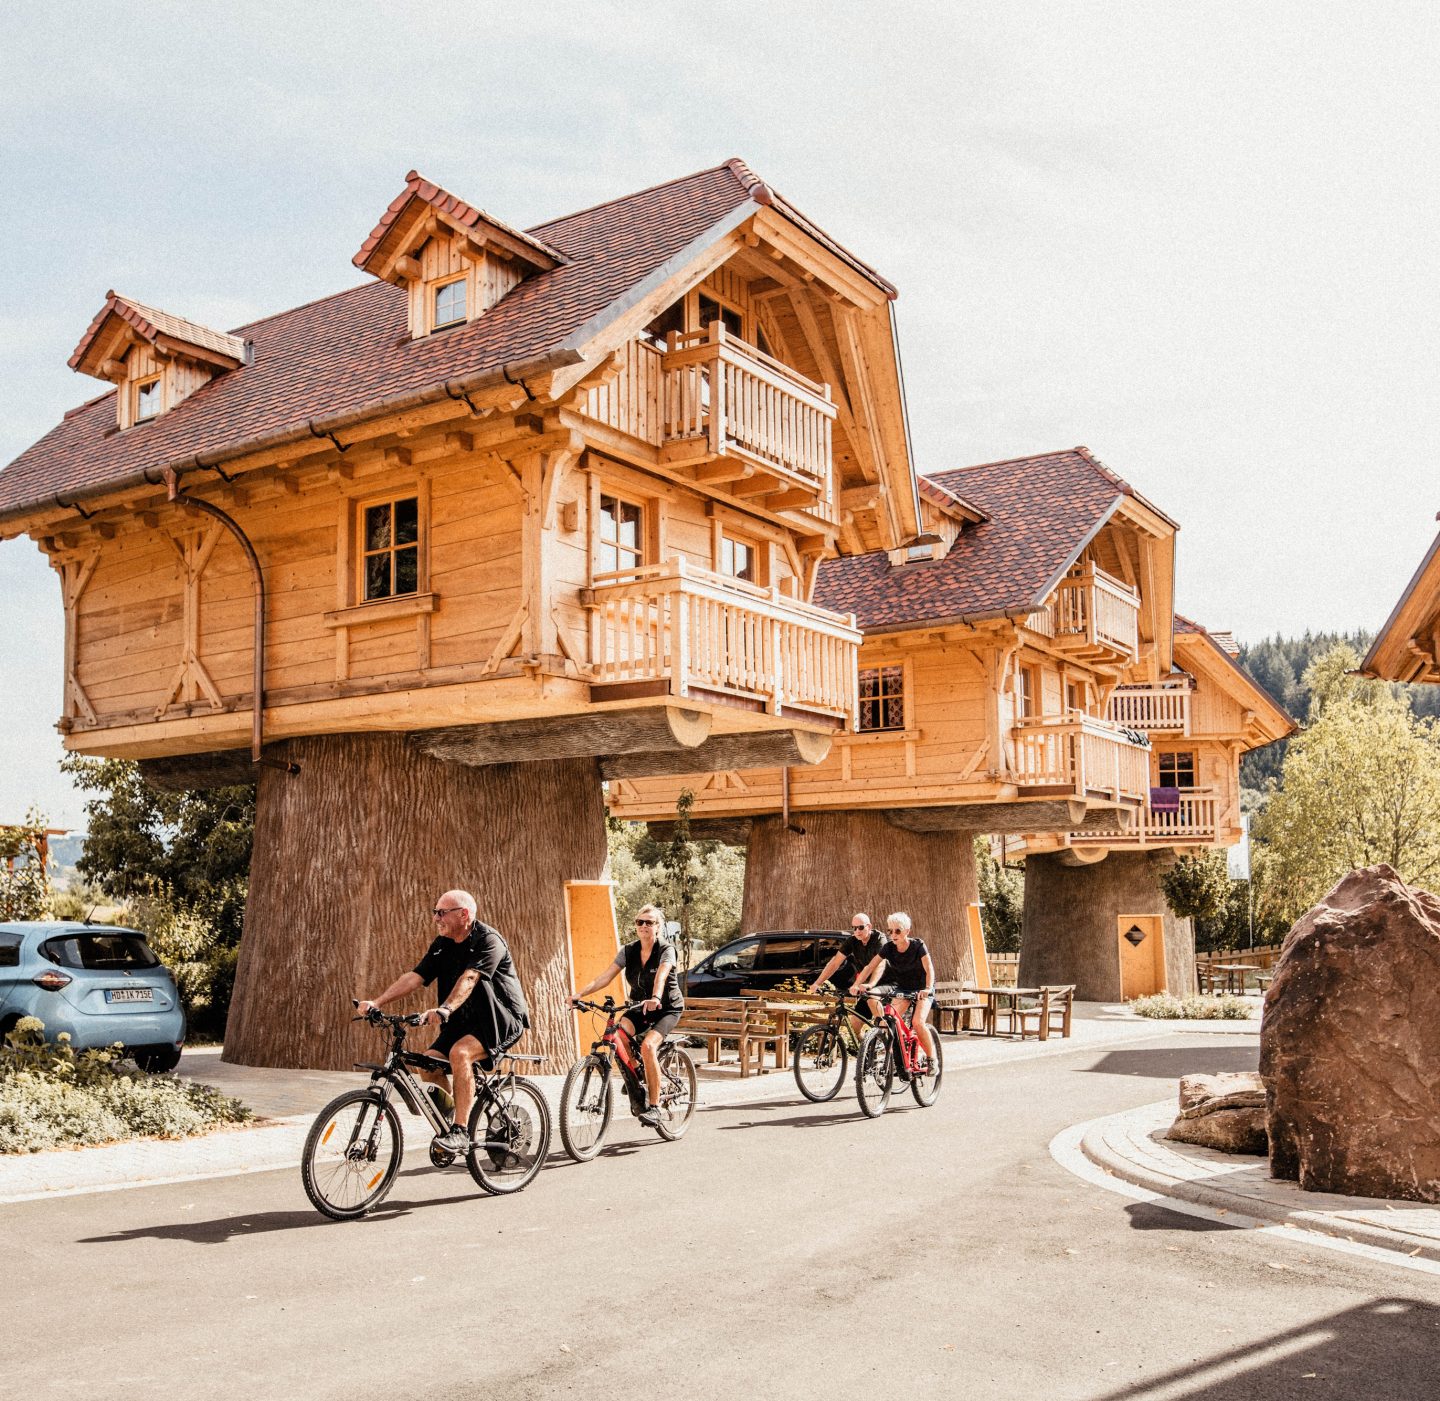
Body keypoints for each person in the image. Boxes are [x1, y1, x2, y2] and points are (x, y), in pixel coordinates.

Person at [357, 890, 530, 1155]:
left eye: (441, 913)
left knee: (460, 1053)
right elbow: (415, 977)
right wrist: (377, 1002)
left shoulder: (488, 941)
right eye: (435, 912)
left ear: (463, 914)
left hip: (499, 1019)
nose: (436, 918)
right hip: (461, 1021)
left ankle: (461, 1131)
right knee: (428, 1064)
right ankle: (448, 1125)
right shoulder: (442, 944)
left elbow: (470, 978)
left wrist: (445, 1008)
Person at [570, 904, 684, 1128]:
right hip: (640, 1006)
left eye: (649, 922)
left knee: (648, 1046)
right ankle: (637, 1072)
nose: (643, 926)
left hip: (666, 1007)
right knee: (619, 1033)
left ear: (658, 927)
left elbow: (661, 976)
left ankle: (655, 1107)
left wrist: (656, 997)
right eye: (640, 922)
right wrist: (580, 994)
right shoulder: (628, 951)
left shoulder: (666, 949)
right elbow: (605, 977)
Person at [852, 911, 937, 1068]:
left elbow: (929, 968)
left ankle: (932, 1059)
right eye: (890, 931)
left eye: (898, 931)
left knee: (918, 1022)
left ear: (907, 931)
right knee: (889, 1022)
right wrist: (857, 985)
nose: (893, 935)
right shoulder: (889, 948)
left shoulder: (918, 946)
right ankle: (900, 1055)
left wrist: (927, 988)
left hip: (922, 988)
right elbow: (870, 966)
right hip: (904, 989)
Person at [808, 911, 884, 1037]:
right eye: (854, 928)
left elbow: (879, 964)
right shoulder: (852, 941)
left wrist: (870, 984)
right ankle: (866, 1047)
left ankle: (888, 1042)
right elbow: (834, 963)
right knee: (855, 1025)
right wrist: (818, 983)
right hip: (865, 986)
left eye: (861, 927)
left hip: (884, 983)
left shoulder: (879, 939)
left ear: (869, 926)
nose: (857, 931)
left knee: (874, 1006)